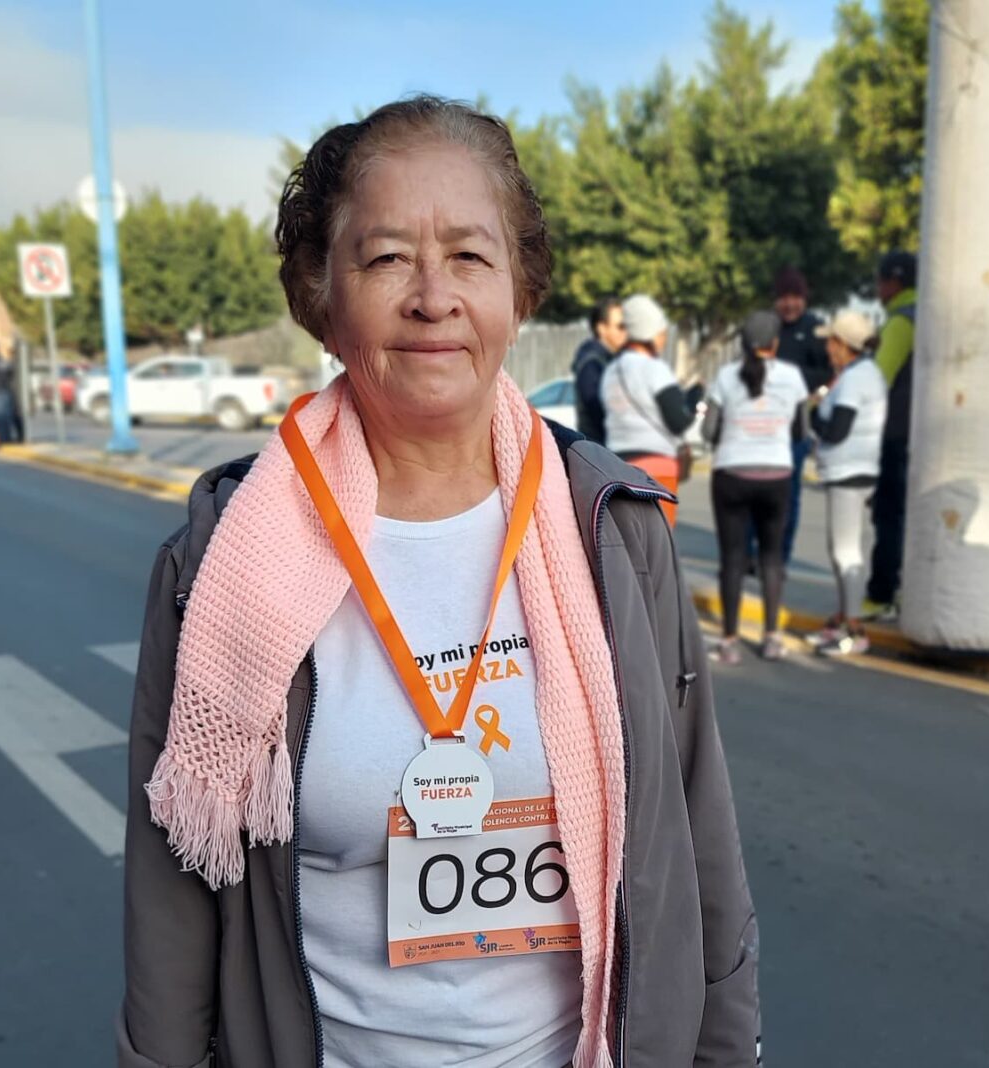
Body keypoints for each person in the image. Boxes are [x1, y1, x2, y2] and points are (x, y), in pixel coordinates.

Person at [119, 97, 759, 1068]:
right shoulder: (220, 559)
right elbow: (173, 905)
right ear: (320, 296)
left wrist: (725, 1049)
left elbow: (697, 837)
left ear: (520, 289)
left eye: (469, 255)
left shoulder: (615, 535)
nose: (432, 297)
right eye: (384, 259)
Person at [702, 310, 808, 664]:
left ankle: (729, 641)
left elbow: (708, 433)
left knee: (733, 558)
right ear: (775, 343)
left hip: (731, 474)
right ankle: (772, 637)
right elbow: (800, 432)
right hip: (776, 475)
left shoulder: (726, 377)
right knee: (771, 558)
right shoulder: (792, 377)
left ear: (744, 344)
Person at [807, 310, 887, 656]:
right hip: (850, 470)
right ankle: (843, 619)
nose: (826, 347)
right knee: (838, 549)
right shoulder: (858, 374)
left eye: (830, 341)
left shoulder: (856, 380)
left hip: (849, 472)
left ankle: (854, 628)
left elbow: (837, 430)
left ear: (842, 344)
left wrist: (813, 414)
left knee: (845, 551)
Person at [600, 293, 702, 527]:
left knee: (628, 543)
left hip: (617, 466)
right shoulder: (655, 370)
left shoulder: (611, 372)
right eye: (662, 333)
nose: (664, 338)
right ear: (650, 333)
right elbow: (678, 421)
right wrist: (694, 399)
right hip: (656, 468)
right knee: (657, 546)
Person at [863, 251, 917, 620]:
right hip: (916, 432)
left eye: (881, 280)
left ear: (895, 282)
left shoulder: (900, 322)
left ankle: (881, 593)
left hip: (894, 435)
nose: (878, 287)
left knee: (888, 515)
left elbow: (876, 381)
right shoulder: (924, 315)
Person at [771, 267, 830, 562]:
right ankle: (753, 555)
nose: (789, 304)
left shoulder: (816, 329)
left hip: (796, 429)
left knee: (789, 498)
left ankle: (780, 556)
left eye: (795, 297)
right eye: (784, 297)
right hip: (762, 428)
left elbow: (829, 373)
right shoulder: (769, 329)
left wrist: (793, 379)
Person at [570, 296, 624, 444]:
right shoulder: (592, 362)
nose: (625, 332)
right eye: (620, 326)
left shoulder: (614, 360)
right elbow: (597, 409)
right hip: (600, 452)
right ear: (602, 329)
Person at [0, 342, 22, 445]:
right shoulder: (4, 362)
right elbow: (11, 374)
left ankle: (4, 440)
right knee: (5, 417)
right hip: (5, 391)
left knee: (0, 418)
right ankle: (7, 439)